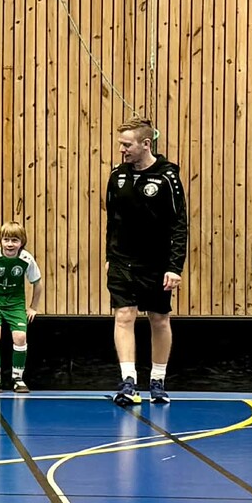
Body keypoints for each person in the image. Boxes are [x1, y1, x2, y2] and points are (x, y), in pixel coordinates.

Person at [105, 119, 188, 405]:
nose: (122, 150)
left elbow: (179, 224)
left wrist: (174, 267)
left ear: (146, 144)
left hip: (156, 262)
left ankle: (157, 380)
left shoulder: (167, 177)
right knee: (124, 315)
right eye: (121, 144)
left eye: (127, 145)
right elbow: (113, 221)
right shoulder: (117, 175)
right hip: (122, 260)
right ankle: (128, 381)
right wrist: (110, 256)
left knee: (159, 318)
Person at [0, 221, 44, 394]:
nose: (10, 244)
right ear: (1, 241)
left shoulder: (26, 259)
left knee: (20, 337)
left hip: (16, 304)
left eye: (14, 240)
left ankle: (17, 378)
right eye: (6, 240)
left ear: (22, 242)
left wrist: (33, 307)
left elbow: (38, 283)